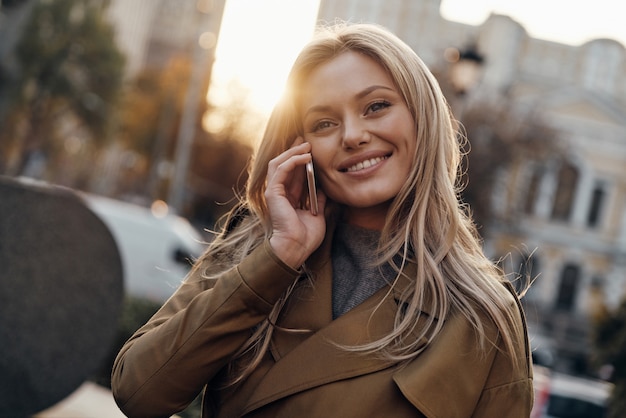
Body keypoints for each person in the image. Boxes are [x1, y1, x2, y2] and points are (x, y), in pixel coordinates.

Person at [111, 22, 534, 418]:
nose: (352, 136)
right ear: (300, 146)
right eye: (324, 122)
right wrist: (279, 257)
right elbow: (140, 392)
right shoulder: (254, 246)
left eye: (376, 106)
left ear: (423, 117)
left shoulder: (483, 313)